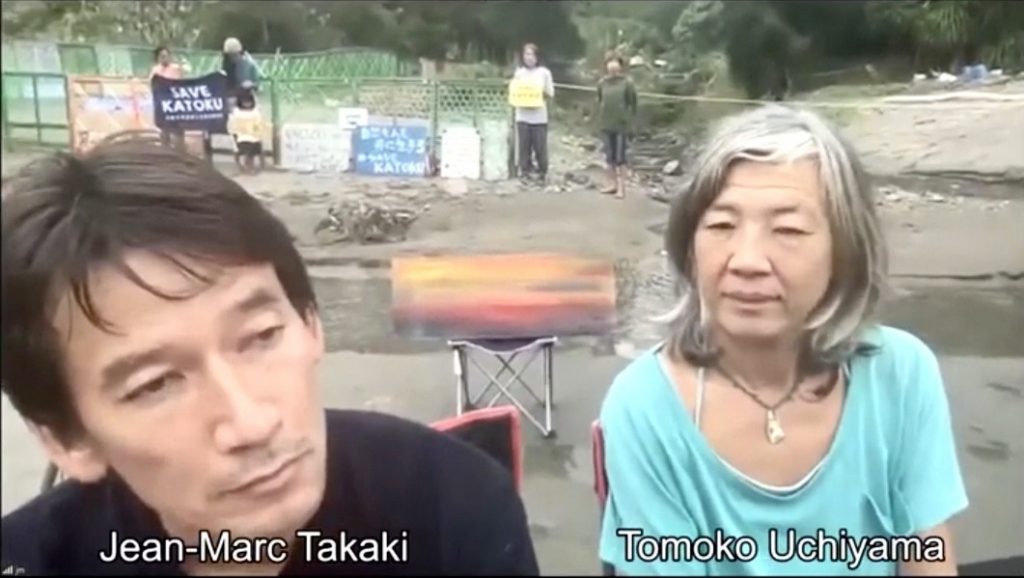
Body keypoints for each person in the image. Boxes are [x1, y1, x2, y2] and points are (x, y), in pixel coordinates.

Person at [0, 134, 540, 576]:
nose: (252, 423)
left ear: (309, 322)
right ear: (68, 439)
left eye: (260, 336)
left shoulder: (452, 510)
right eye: (154, 384)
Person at [597, 105, 968, 575]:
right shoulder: (644, 408)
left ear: (845, 251)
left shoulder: (901, 373)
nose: (746, 260)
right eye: (721, 226)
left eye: (788, 230)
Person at [595, 54, 638, 199]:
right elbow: (600, 100)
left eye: (615, 63)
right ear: (606, 66)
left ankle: (622, 187)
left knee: (621, 158)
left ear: (620, 66)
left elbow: (633, 103)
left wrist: (631, 123)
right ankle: (611, 184)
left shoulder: (627, 83)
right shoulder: (602, 83)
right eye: (609, 63)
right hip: (606, 124)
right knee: (609, 157)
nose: (612, 66)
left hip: (621, 125)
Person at [511, 43, 554, 185]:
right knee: (524, 146)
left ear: (537, 56)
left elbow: (550, 93)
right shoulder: (519, 73)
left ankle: (542, 172)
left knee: (540, 147)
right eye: (526, 54)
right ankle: (525, 172)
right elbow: (514, 91)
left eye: (531, 54)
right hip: (522, 115)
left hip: (539, 117)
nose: (528, 57)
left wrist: (540, 93)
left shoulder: (544, 73)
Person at [150, 45, 187, 151]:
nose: (165, 58)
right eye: (162, 56)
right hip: (162, 105)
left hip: (176, 104)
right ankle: (165, 151)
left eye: (166, 56)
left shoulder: (176, 69)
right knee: (164, 130)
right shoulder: (155, 70)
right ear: (158, 58)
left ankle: (181, 151)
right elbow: (153, 86)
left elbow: (183, 84)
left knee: (179, 130)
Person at [228, 86, 265, 174]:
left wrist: (258, 133)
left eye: (248, 102)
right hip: (241, 136)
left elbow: (259, 123)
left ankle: (251, 166)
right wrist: (234, 134)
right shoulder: (236, 112)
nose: (247, 104)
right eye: (245, 102)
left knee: (252, 151)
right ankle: (243, 167)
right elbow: (232, 125)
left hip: (253, 136)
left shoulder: (255, 111)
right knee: (241, 150)